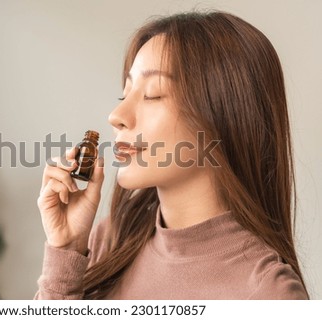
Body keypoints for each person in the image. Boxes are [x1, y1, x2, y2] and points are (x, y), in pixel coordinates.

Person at [34, 10, 309, 299]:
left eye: (152, 94)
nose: (116, 116)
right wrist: (65, 254)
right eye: (124, 95)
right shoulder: (110, 241)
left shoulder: (268, 293)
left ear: (224, 116)